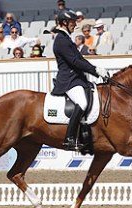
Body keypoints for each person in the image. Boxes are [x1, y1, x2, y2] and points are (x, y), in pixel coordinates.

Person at [51, 9, 109, 150]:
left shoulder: (66, 39)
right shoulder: (61, 40)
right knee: (82, 103)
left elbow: (80, 59)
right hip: (68, 80)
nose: (74, 25)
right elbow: (75, 62)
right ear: (64, 23)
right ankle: (69, 138)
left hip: (76, 78)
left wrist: (96, 70)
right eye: (72, 22)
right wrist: (95, 70)